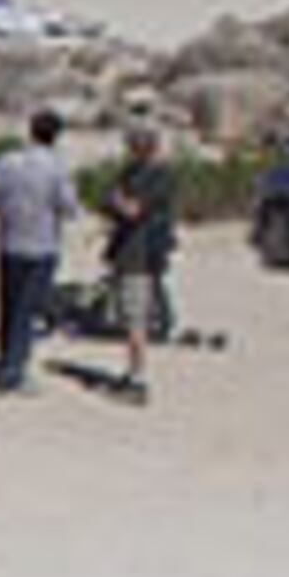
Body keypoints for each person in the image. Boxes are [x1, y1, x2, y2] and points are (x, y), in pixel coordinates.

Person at [0, 108, 74, 396]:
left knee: (9, 304)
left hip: (9, 241)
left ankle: (5, 359)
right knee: (27, 308)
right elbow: (67, 206)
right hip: (41, 244)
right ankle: (14, 371)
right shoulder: (56, 166)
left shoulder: (6, 162)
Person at [102, 121, 176, 403]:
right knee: (128, 316)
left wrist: (117, 201)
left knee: (136, 319)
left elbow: (133, 210)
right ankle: (132, 371)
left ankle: (138, 379)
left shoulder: (157, 177)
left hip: (141, 255)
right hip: (126, 253)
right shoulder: (132, 173)